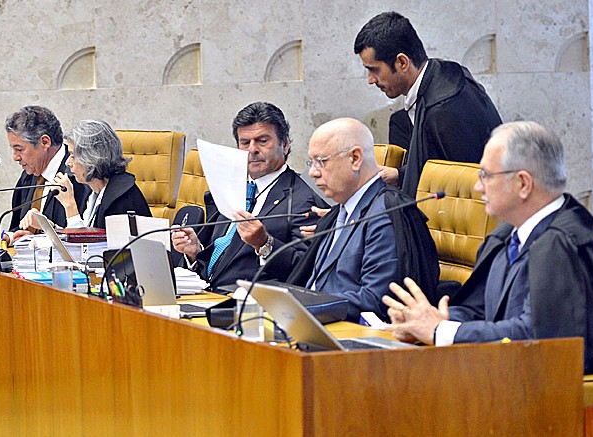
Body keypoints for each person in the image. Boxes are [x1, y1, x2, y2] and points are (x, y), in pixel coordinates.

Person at [383, 121, 593, 373]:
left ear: (523, 183)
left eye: (486, 175)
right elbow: (481, 311)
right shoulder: (507, 236)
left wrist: (442, 331)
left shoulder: (561, 245)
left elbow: (538, 338)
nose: (478, 186)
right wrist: (427, 321)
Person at [287, 118, 439, 323]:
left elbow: (377, 299)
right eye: (311, 162)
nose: (313, 172)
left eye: (321, 161)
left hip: (348, 334)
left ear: (355, 158)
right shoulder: (339, 212)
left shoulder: (384, 214)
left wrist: (304, 306)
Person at [172, 102, 327, 291]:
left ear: (285, 144)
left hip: (250, 307)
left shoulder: (304, 200)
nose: (252, 150)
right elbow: (222, 263)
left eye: (262, 141)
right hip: (207, 298)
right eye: (245, 142)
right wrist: (195, 253)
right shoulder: (230, 190)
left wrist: (265, 244)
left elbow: (304, 272)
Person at [354, 11, 502, 196]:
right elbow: (440, 166)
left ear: (402, 62)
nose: (370, 80)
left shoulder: (444, 109)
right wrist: (400, 175)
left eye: (374, 70)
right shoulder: (443, 74)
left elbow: (466, 185)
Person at [19, 119, 151, 230]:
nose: (68, 163)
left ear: (92, 158)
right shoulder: (96, 191)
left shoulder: (121, 197)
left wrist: (70, 205)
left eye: (72, 156)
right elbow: (86, 234)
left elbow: (89, 250)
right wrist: (48, 227)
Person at [5, 106, 90, 241]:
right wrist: (7, 237)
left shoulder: (78, 177)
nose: (15, 157)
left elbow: (84, 236)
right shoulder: (29, 175)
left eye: (19, 149)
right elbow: (18, 227)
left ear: (45, 142)